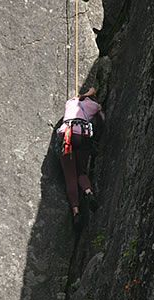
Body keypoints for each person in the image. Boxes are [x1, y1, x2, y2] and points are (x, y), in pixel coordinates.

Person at [57, 82, 104, 226]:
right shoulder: (94, 106)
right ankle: (89, 192)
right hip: (83, 137)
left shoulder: (70, 102)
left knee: (70, 176)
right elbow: (101, 119)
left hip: (67, 136)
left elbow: (78, 99)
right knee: (81, 172)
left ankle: (76, 211)